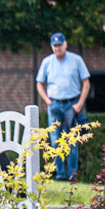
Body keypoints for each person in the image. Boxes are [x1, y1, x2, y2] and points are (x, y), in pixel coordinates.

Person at [36, 32, 90, 180]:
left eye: (60, 45)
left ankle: (72, 175)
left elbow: (86, 83)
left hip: (72, 104)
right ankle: (60, 174)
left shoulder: (76, 60)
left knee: (72, 141)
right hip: (54, 104)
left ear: (65, 44)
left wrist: (79, 104)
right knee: (55, 141)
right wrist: (47, 100)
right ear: (51, 46)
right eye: (55, 46)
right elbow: (39, 83)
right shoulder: (47, 62)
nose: (57, 48)